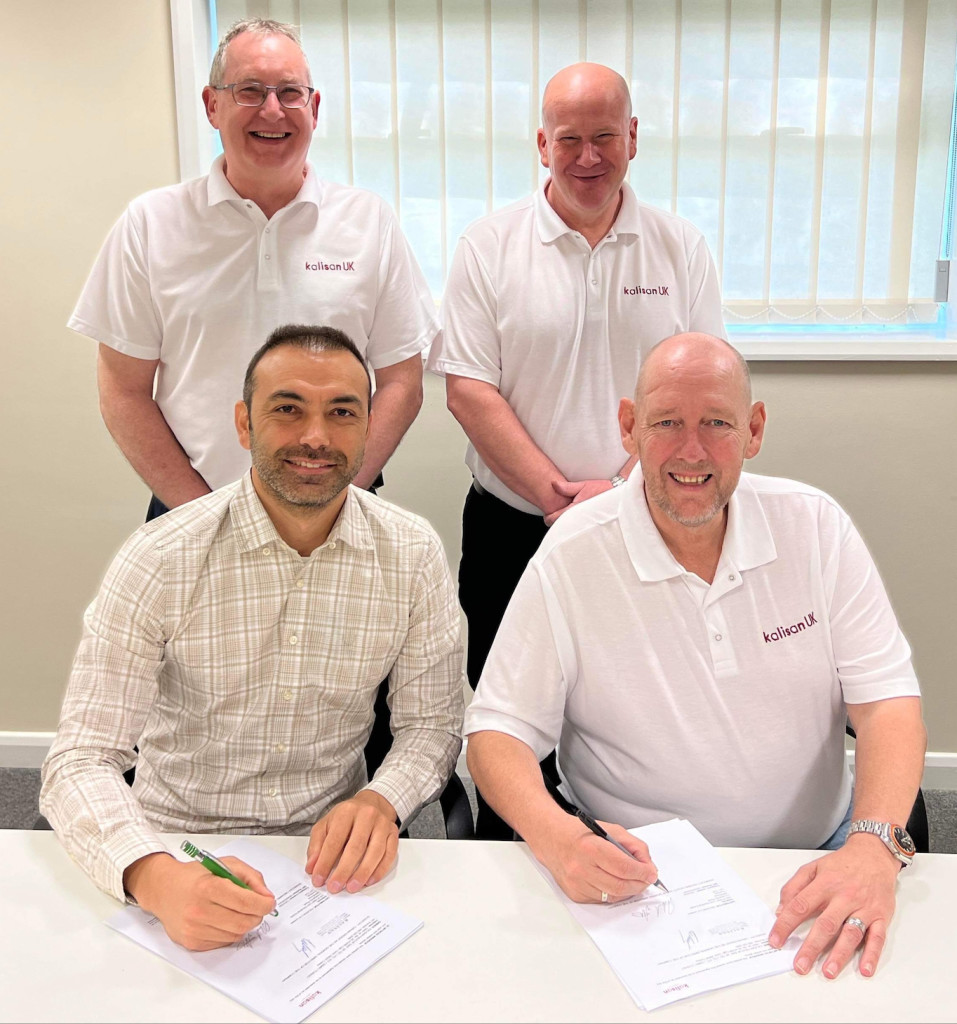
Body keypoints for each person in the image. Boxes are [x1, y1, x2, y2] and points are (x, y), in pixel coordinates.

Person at [465, 332, 925, 981]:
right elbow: (496, 732)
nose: (690, 450)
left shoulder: (814, 527)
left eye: (715, 423)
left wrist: (873, 845)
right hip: (637, 885)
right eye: (665, 424)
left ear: (753, 429)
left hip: (815, 858)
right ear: (628, 428)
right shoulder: (571, 554)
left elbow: (887, 705)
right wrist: (556, 834)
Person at [40, 325, 464, 952]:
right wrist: (152, 875)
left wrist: (382, 800)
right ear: (244, 424)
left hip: (328, 861)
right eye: (287, 409)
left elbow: (433, 724)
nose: (316, 436)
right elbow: (78, 759)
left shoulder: (411, 553)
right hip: (176, 846)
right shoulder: (161, 557)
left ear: (369, 426)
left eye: (342, 412)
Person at [427, 63, 725, 836]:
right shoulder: (488, 246)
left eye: (603, 137)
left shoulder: (678, 247)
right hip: (510, 522)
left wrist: (618, 492)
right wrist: (557, 495)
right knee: (507, 704)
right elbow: (467, 387)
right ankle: (510, 847)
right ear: (541, 144)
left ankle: (636, 854)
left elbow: (699, 391)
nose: (587, 156)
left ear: (632, 138)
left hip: (649, 522)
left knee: (630, 703)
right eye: (569, 140)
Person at [70, 18, 436, 517]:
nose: (272, 110)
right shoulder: (151, 225)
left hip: (337, 507)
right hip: (192, 510)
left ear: (314, 107)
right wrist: (203, 516)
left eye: (290, 92)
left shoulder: (369, 221)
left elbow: (402, 382)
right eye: (249, 91)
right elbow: (122, 391)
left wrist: (334, 497)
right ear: (211, 105)